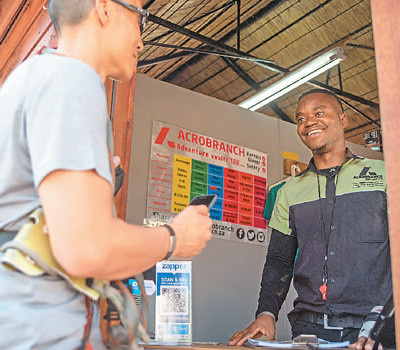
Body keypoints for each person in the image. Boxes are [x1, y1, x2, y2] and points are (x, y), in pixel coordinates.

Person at [0, 0, 212, 348]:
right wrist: (174, 237)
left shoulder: (32, 78)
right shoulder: (72, 79)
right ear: (104, 7)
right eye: (140, 16)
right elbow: (87, 248)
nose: (142, 40)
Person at [228, 89, 392, 350]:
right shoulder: (288, 192)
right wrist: (266, 313)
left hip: (372, 332)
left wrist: (388, 323)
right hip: (308, 330)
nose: (309, 122)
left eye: (319, 113)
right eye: (301, 118)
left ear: (343, 119)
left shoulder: (384, 175)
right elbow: (279, 261)